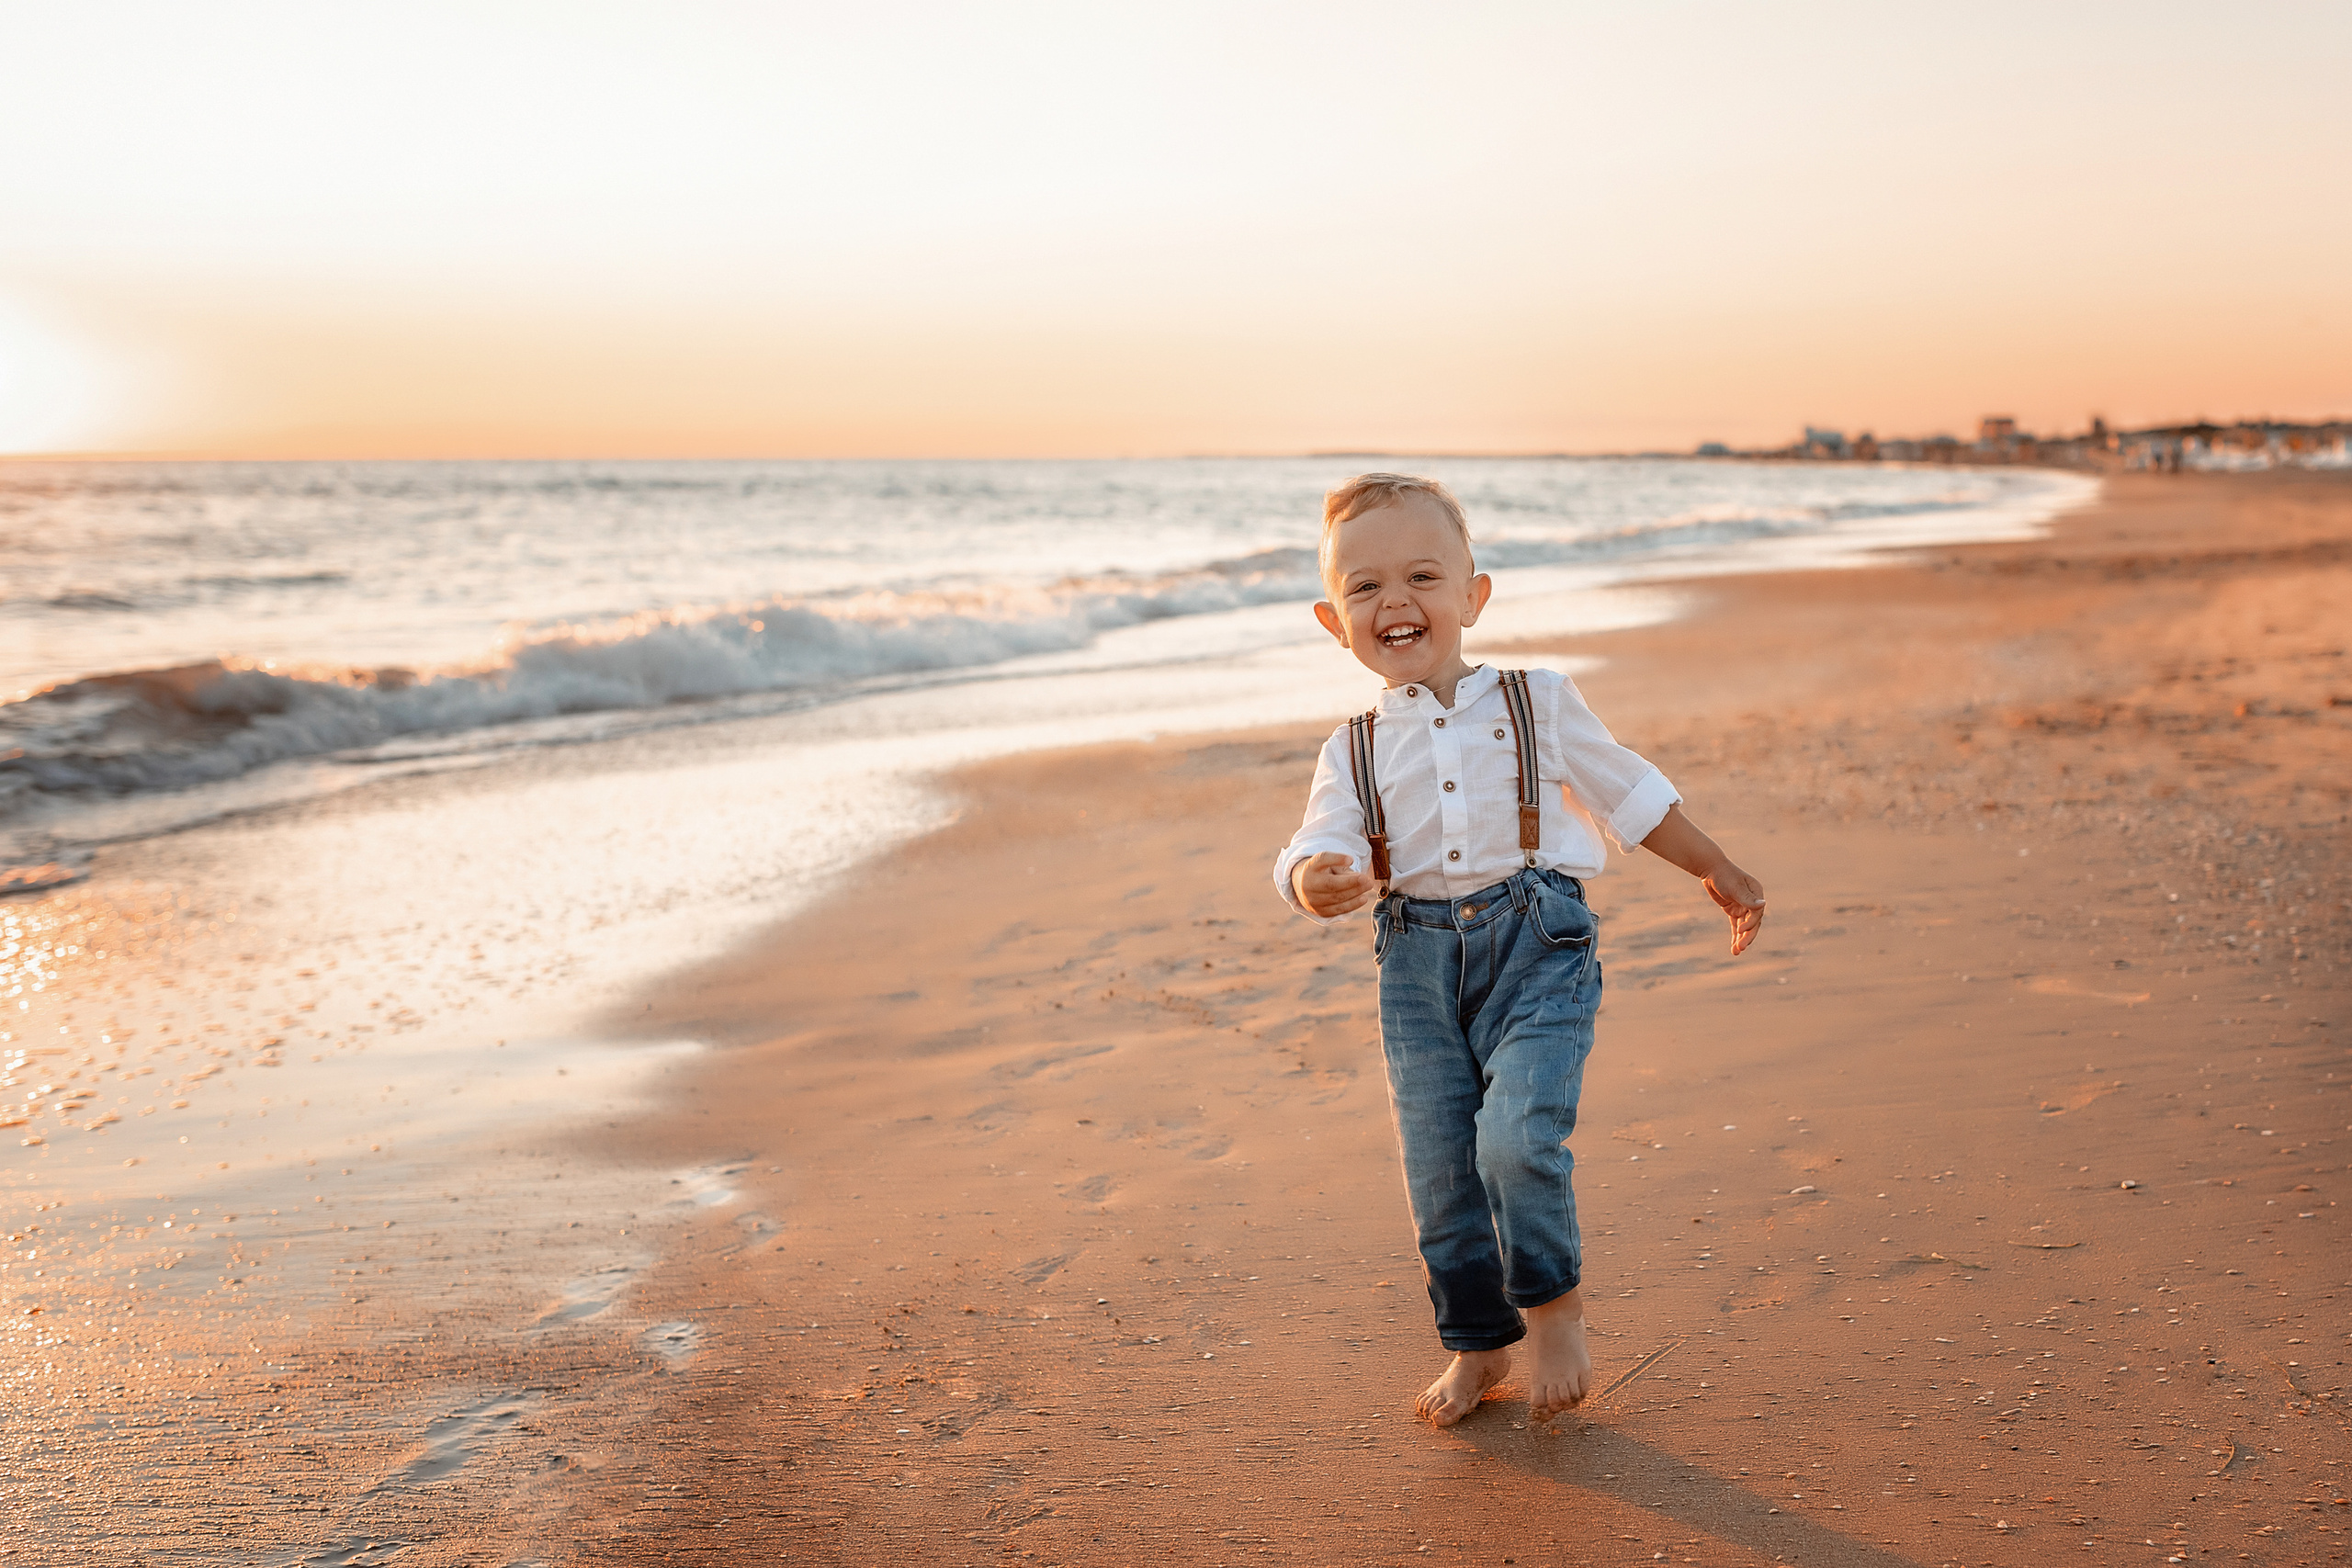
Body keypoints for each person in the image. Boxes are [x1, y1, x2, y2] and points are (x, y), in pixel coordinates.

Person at [1272, 473, 1766, 1427]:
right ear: (1336, 624)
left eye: (1421, 575)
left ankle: (1553, 1309)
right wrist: (1315, 882)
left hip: (1538, 941)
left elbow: (1628, 794)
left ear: (1472, 595)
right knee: (1441, 1170)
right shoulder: (1354, 749)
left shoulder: (1534, 700)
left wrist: (1720, 869)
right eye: (1365, 588)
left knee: (1514, 1139)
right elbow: (1313, 845)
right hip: (1413, 965)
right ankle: (1478, 1344)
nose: (1395, 602)